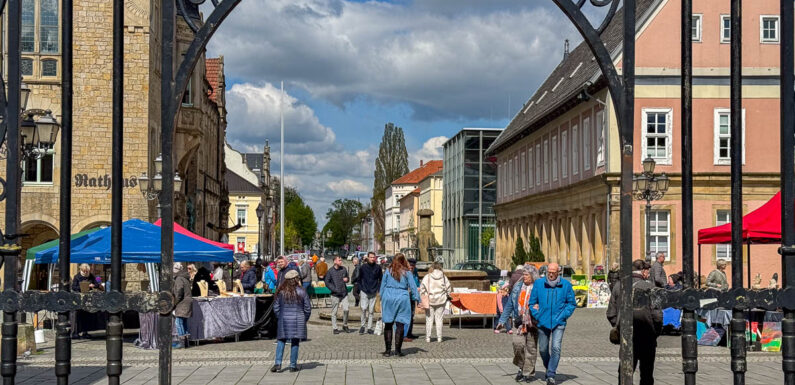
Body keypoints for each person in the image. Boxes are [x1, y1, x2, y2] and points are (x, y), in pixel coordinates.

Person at [606, 260, 662, 385]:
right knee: (647, 374)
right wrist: (655, 332)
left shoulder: (619, 285)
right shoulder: (651, 288)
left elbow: (611, 313)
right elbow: (657, 315)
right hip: (647, 335)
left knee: (625, 372)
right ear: (643, 271)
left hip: (627, 335)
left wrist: (619, 327)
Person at [528, 263, 577, 385]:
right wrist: (538, 315)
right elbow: (531, 303)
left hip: (559, 322)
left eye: (553, 272)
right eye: (548, 271)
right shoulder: (539, 284)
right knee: (543, 349)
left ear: (558, 272)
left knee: (556, 348)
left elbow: (571, 304)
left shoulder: (566, 285)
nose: (550, 274)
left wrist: (563, 315)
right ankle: (550, 366)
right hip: (542, 321)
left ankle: (551, 374)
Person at [497, 265, 541, 383]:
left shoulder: (539, 287)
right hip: (518, 322)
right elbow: (510, 305)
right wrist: (502, 321)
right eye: (524, 274)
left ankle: (528, 373)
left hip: (533, 322)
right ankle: (522, 367)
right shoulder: (517, 286)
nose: (524, 277)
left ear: (533, 276)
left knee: (531, 348)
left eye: (527, 275)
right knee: (518, 345)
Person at [379, 253, 419, 357]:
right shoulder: (407, 272)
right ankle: (397, 350)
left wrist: (382, 299)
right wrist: (417, 299)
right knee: (400, 324)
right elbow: (413, 287)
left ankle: (388, 351)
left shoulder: (388, 271)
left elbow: (382, 285)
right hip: (402, 297)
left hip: (389, 296)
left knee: (388, 323)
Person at [271, 270, 311, 373]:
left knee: (281, 340)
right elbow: (307, 308)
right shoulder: (302, 291)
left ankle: (278, 363)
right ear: (297, 279)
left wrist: (280, 316)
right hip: (298, 319)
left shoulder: (281, 291)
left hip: (284, 319)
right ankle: (293, 365)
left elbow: (276, 307)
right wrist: (304, 319)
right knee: (295, 342)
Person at [419, 261, 451, 343]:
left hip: (430, 300)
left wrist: (423, 295)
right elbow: (448, 288)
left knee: (429, 319)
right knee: (439, 319)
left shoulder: (428, 276)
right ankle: (439, 337)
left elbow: (422, 288)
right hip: (441, 300)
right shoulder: (443, 276)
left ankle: (428, 337)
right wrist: (446, 295)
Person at [324, 256, 350, 334]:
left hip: (344, 293)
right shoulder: (330, 271)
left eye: (341, 260)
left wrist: (347, 279)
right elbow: (327, 282)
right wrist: (334, 289)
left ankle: (345, 325)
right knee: (334, 312)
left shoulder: (344, 269)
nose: (341, 261)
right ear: (335, 261)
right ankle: (335, 328)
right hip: (335, 294)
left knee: (346, 309)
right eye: (339, 260)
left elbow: (347, 278)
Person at [358, 251, 382, 335]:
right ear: (367, 258)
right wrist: (360, 288)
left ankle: (369, 327)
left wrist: (378, 288)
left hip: (373, 290)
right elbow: (359, 278)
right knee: (364, 309)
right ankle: (362, 326)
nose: (372, 259)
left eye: (373, 257)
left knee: (371, 311)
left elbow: (380, 279)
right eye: (371, 257)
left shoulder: (378, 267)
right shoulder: (363, 267)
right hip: (364, 290)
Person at [173, 262, 193, 349]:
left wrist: (175, 302)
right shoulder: (185, 278)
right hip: (187, 301)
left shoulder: (179, 279)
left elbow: (179, 291)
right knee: (183, 322)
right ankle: (186, 343)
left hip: (182, 302)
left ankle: (182, 343)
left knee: (178, 322)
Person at [404, 258, 421, 341]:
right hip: (406, 297)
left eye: (413, 266)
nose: (411, 267)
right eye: (410, 265)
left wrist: (418, 288)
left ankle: (409, 333)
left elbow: (417, 282)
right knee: (407, 316)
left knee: (411, 315)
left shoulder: (415, 273)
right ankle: (405, 334)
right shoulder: (404, 273)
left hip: (412, 296)